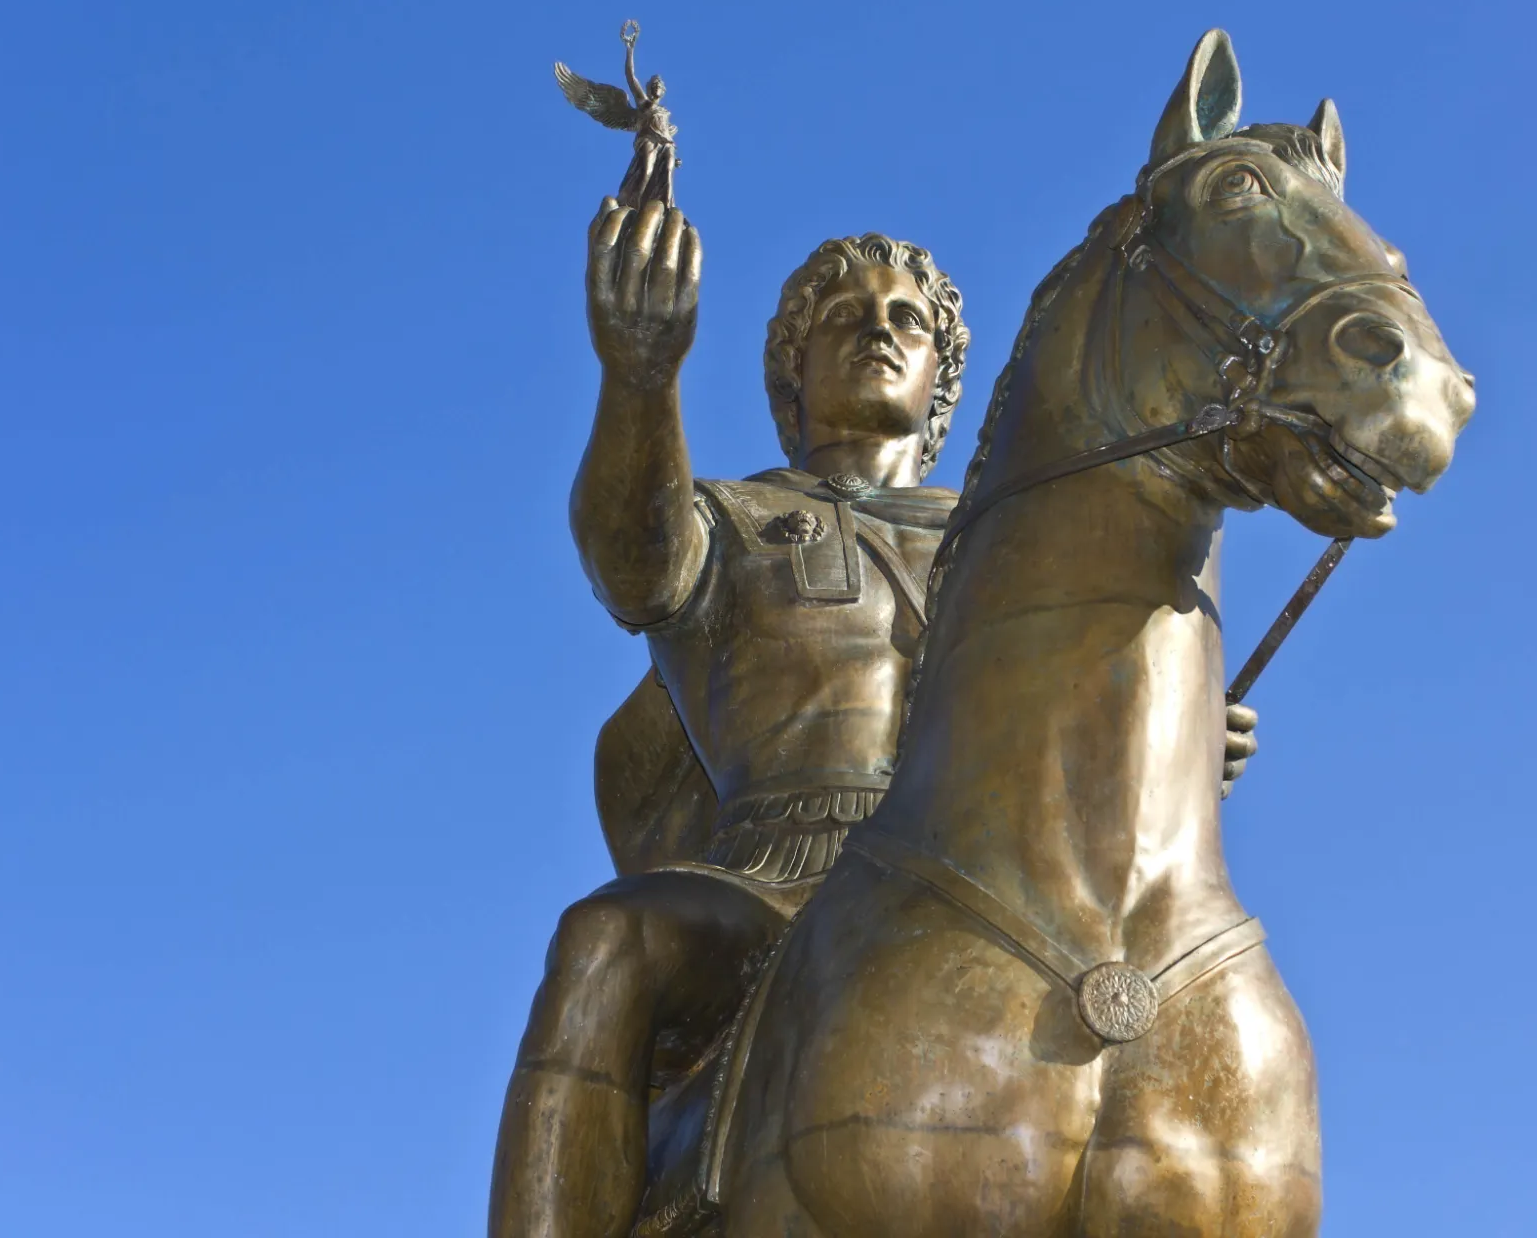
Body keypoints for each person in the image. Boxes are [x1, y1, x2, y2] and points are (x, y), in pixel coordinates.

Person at [488, 197, 1258, 1237]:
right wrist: (640, 372)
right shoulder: (729, 517)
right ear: (792, 375)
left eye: (908, 318)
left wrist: (1185, 731)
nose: (880, 329)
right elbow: (634, 561)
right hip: (777, 877)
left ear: (942, 374)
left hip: (987, 886)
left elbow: (1084, 705)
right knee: (605, 942)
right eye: (844, 317)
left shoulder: (1006, 541)